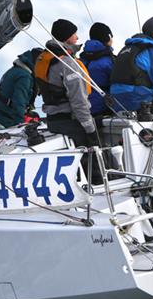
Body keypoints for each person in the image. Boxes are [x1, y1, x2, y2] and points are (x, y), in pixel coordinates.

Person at [35, 19, 103, 182]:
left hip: (53, 121)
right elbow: (79, 102)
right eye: (74, 35)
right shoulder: (69, 65)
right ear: (66, 38)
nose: (77, 38)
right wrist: (91, 131)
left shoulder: (43, 58)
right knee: (93, 163)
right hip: (71, 123)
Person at [0, 48, 42, 128]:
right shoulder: (25, 77)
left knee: (34, 117)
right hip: (3, 120)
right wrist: (21, 125)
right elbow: (19, 102)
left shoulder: (16, 70)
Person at [79, 22, 114, 118]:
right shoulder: (109, 61)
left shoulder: (80, 60)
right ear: (108, 37)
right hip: (104, 108)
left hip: (82, 108)